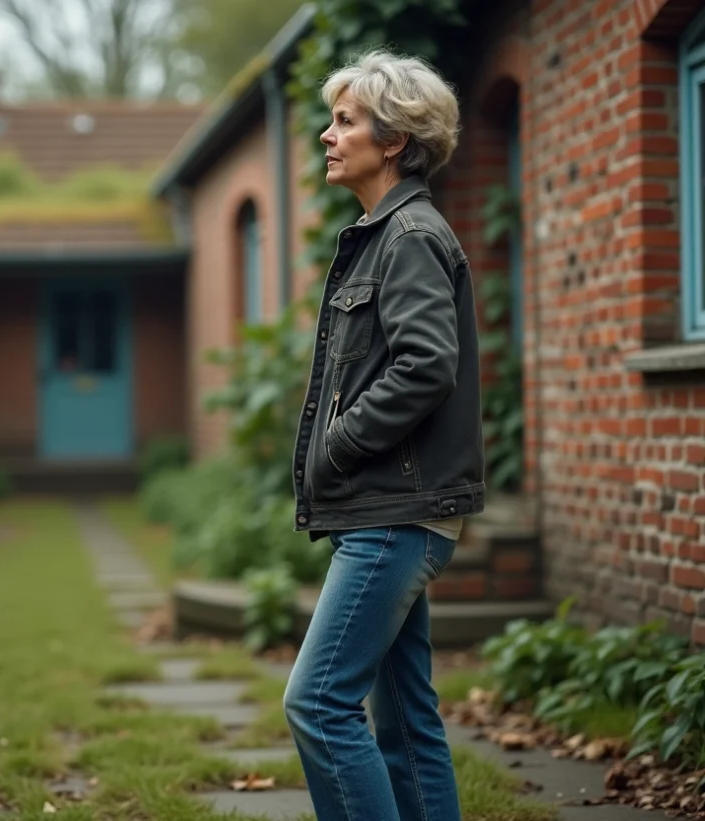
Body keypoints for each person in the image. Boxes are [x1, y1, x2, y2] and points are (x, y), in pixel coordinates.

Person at [284, 49, 484, 821]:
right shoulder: (387, 232)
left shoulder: (409, 236)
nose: (327, 135)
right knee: (404, 717)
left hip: (394, 515)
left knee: (318, 703)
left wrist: (338, 443)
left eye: (345, 121)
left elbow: (426, 366)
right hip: (392, 509)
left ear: (394, 139)